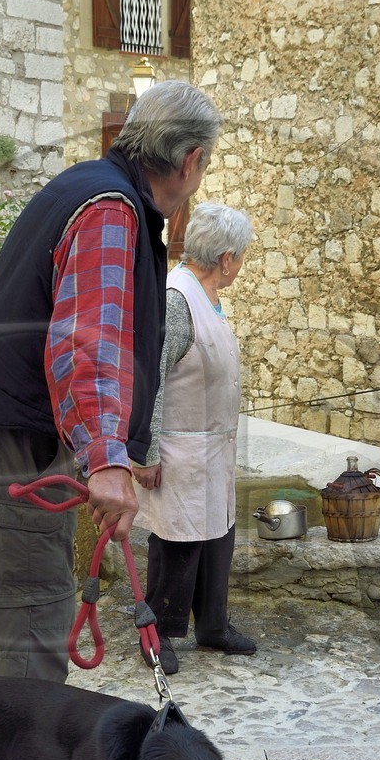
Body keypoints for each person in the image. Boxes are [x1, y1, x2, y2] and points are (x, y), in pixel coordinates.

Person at [0, 80, 221, 760]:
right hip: (16, 428)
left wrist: (122, 449)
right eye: (205, 164)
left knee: (33, 600)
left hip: (7, 414)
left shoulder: (98, 189)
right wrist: (105, 461)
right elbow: (85, 344)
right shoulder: (112, 211)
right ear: (190, 160)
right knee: (33, 609)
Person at [132, 203, 258, 676]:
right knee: (177, 546)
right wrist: (143, 452)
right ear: (226, 259)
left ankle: (212, 625)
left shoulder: (208, 297)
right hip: (180, 450)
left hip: (212, 448)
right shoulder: (175, 299)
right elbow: (150, 379)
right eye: (240, 256)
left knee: (217, 539)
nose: (240, 263)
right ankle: (155, 635)